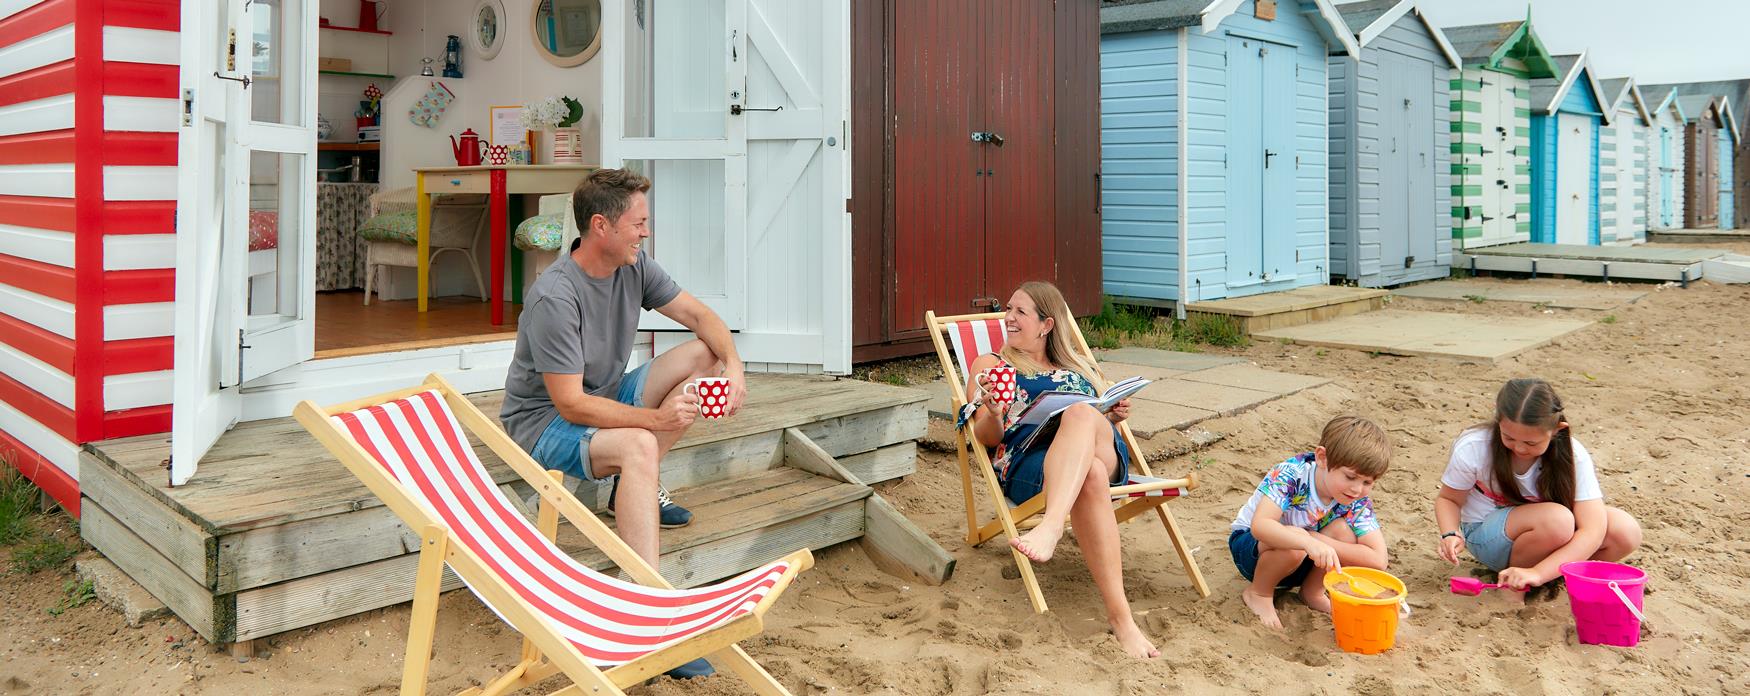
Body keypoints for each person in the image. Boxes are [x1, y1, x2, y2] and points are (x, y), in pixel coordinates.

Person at [961, 281, 1156, 658]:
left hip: (1094, 444)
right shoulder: (991, 366)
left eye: (1020, 312)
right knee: (1092, 476)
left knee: (1083, 413)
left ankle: (1051, 525)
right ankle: (1123, 620)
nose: (1009, 318)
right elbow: (984, 439)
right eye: (1008, 309)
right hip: (1030, 465)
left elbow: (1093, 420)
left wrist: (1111, 417)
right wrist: (996, 414)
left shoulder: (1077, 365)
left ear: (1046, 324)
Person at [1434, 378, 1641, 591]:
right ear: (1499, 421)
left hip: (1548, 535)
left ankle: (1548, 575)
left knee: (1624, 531)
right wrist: (1450, 533)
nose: (1519, 448)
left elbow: (1593, 531)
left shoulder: (1573, 455)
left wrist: (1539, 572)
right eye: (1509, 438)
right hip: (1489, 536)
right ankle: (1515, 588)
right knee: (1557, 520)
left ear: (1557, 430)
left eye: (1531, 443)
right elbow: (1449, 499)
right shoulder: (1475, 446)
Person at [1229, 416, 1391, 630]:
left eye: (1367, 482)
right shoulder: (1291, 474)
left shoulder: (1356, 500)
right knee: (1295, 541)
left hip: (1304, 558)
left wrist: (1315, 539)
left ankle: (1312, 591)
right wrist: (1305, 540)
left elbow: (1378, 559)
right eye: (1350, 477)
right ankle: (1259, 592)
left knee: (1344, 531)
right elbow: (1261, 526)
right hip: (1252, 551)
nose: (1357, 489)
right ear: (1322, 458)